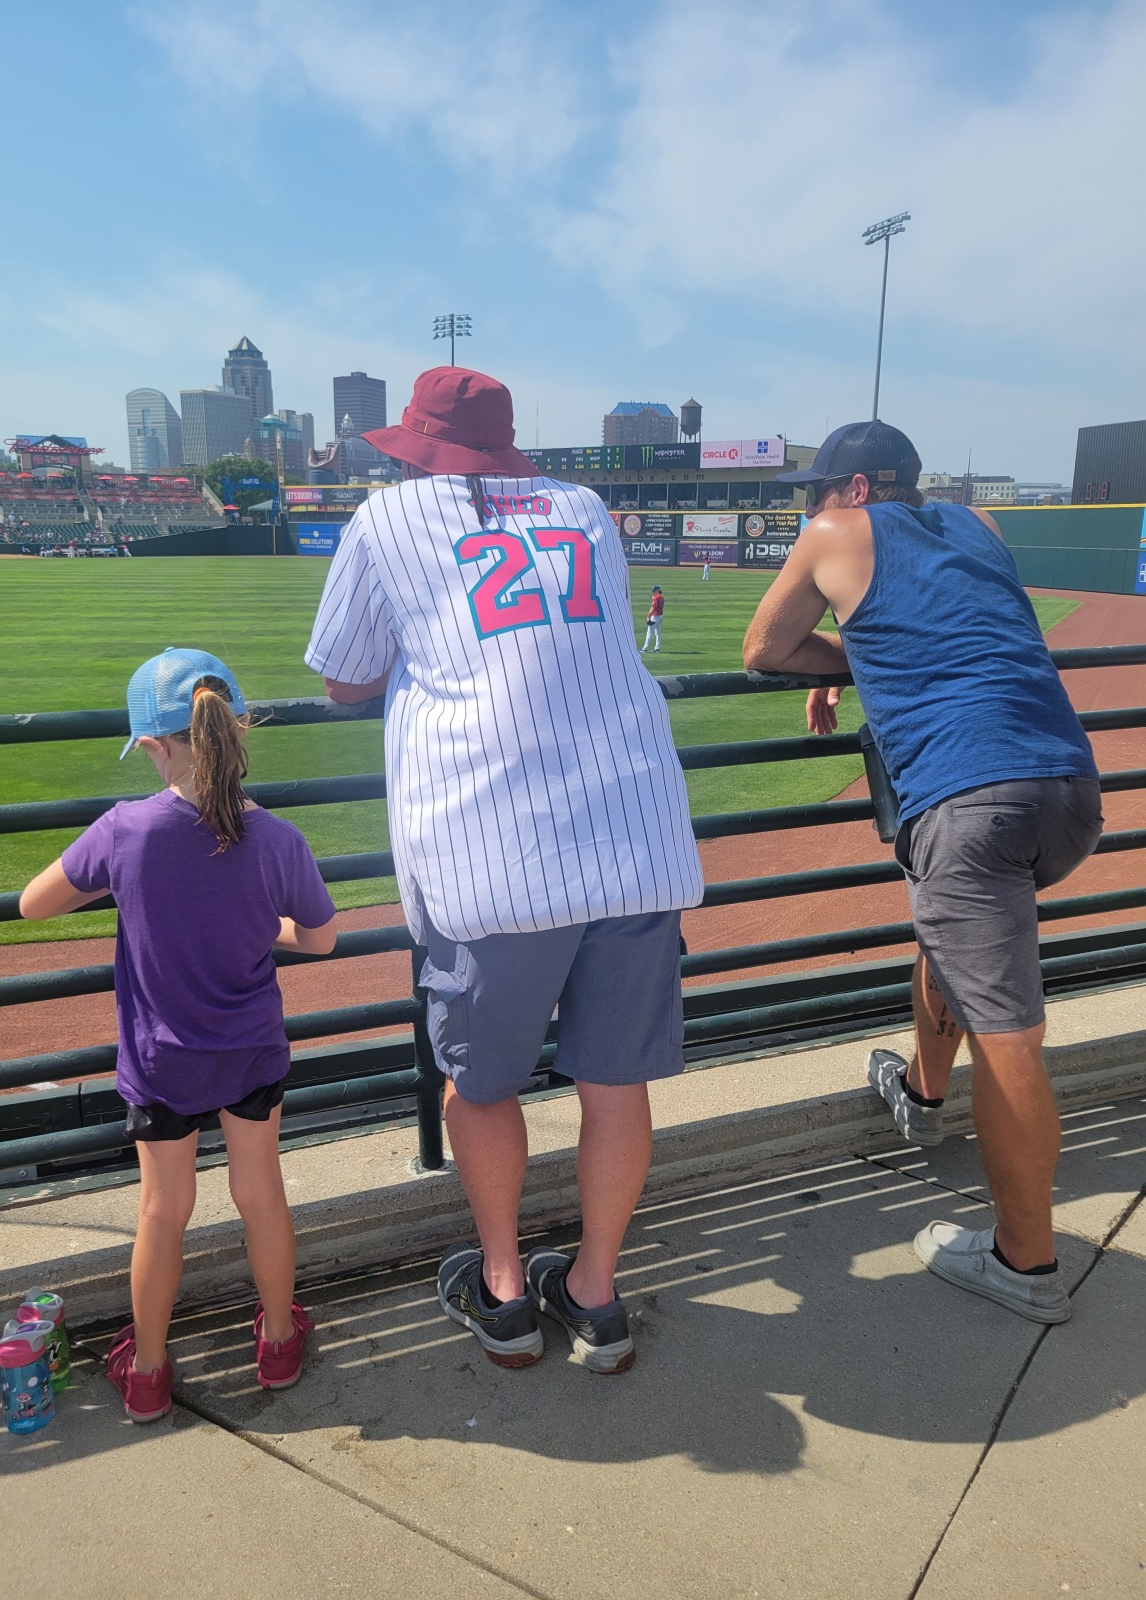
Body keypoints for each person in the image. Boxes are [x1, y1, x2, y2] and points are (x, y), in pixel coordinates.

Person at [305, 367, 703, 1375]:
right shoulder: (585, 506)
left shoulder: (386, 516)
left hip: (494, 846)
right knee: (615, 1084)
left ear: (416, 443)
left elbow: (342, 678)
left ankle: (506, 1292)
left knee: (480, 1088)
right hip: (636, 833)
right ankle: (597, 1297)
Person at [742, 420, 1101, 1324]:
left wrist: (841, 659)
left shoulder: (835, 534)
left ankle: (1026, 1265)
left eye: (819, 492)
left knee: (1010, 1033)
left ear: (857, 490)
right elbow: (948, 632)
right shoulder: (981, 526)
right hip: (1067, 787)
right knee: (953, 939)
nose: (811, 510)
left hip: (969, 799)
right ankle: (922, 1092)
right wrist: (866, 660)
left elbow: (764, 649)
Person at [19, 648, 338, 1419]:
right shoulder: (280, 839)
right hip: (251, 1049)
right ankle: (278, 1345)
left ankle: (150, 1372)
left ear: (157, 748)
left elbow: (35, 904)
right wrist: (270, 923)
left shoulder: (126, 831)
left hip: (162, 1060)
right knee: (261, 1194)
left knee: (164, 1210)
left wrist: (126, 882)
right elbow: (321, 939)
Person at [642, 585, 665, 652]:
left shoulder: (656, 598)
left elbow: (653, 607)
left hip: (655, 617)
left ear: (657, 591)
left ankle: (644, 648)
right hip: (660, 616)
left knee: (649, 632)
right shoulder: (662, 597)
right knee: (658, 633)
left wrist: (648, 616)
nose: (653, 592)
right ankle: (657, 648)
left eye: (654, 591)